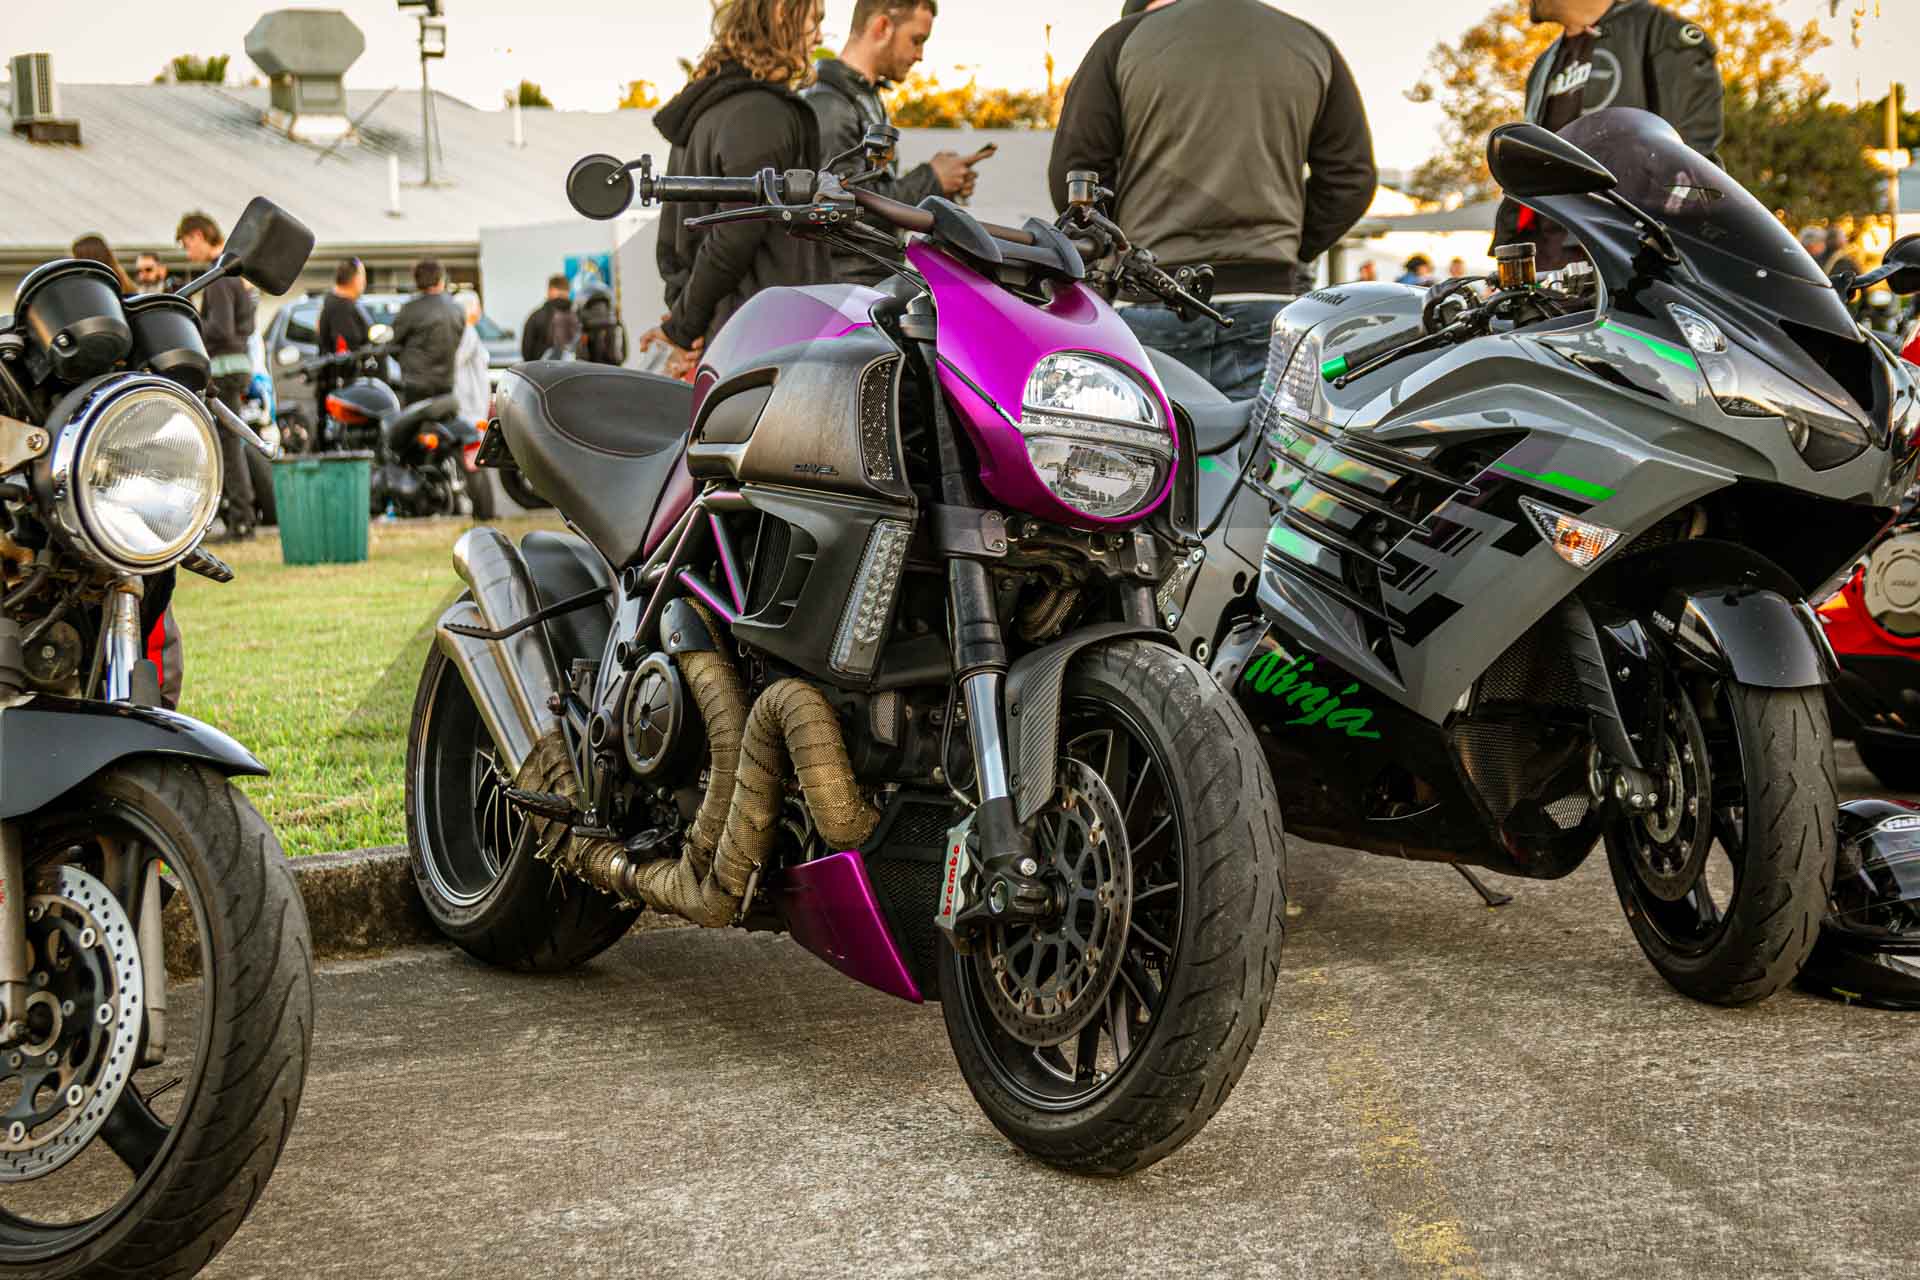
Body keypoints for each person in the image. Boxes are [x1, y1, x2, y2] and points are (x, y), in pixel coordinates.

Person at [1050, 0, 1377, 398]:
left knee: (1148, 436)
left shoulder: (1124, 40)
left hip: (1152, 297)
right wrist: (1286, 248)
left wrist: (1124, 251)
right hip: (1267, 300)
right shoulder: (1309, 44)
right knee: (1264, 438)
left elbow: (1076, 178)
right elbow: (1351, 179)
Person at [644, 0, 834, 381]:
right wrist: (681, 329)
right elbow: (733, 236)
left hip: (730, 345)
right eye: (814, 21)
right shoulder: (761, 113)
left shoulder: (708, 109)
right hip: (765, 348)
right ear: (781, 12)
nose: (818, 37)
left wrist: (685, 323)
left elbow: (683, 241)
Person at [1493, 0, 1724, 267]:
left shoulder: (1660, 31)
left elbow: (1691, 157)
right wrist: (1508, 242)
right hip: (1547, 258)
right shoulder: (1545, 64)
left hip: (1624, 255)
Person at [803, 0, 976, 285]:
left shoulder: (863, 97)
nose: (920, 55)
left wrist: (944, 185)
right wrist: (932, 178)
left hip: (871, 283)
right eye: (916, 40)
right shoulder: (830, 103)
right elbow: (841, 207)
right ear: (882, 27)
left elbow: (871, 188)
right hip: (846, 291)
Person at [177, 211, 257, 538]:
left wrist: (190, 323)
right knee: (230, 442)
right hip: (238, 364)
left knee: (228, 445)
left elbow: (221, 328)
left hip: (224, 368)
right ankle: (241, 514)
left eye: (186, 244)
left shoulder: (219, 276)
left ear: (198, 235)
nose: (187, 253)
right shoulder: (233, 272)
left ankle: (241, 517)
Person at [391, 258, 466, 403]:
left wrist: (407, 360)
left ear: (417, 280)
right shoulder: (457, 309)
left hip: (416, 384)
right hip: (447, 384)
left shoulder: (410, 309)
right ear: (441, 279)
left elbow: (392, 344)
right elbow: (459, 341)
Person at [315, 257, 371, 423]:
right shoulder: (341, 308)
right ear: (355, 279)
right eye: (363, 276)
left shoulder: (331, 302)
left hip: (335, 385)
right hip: (345, 390)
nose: (364, 282)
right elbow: (345, 350)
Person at [453, 290, 491, 430]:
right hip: (469, 397)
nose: (480, 311)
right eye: (478, 306)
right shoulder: (467, 331)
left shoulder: (466, 330)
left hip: (471, 396)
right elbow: (457, 360)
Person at [521, 275, 575, 362]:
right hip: (573, 368)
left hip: (541, 368)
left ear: (550, 291)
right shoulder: (577, 316)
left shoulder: (536, 316)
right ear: (568, 292)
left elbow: (526, 350)